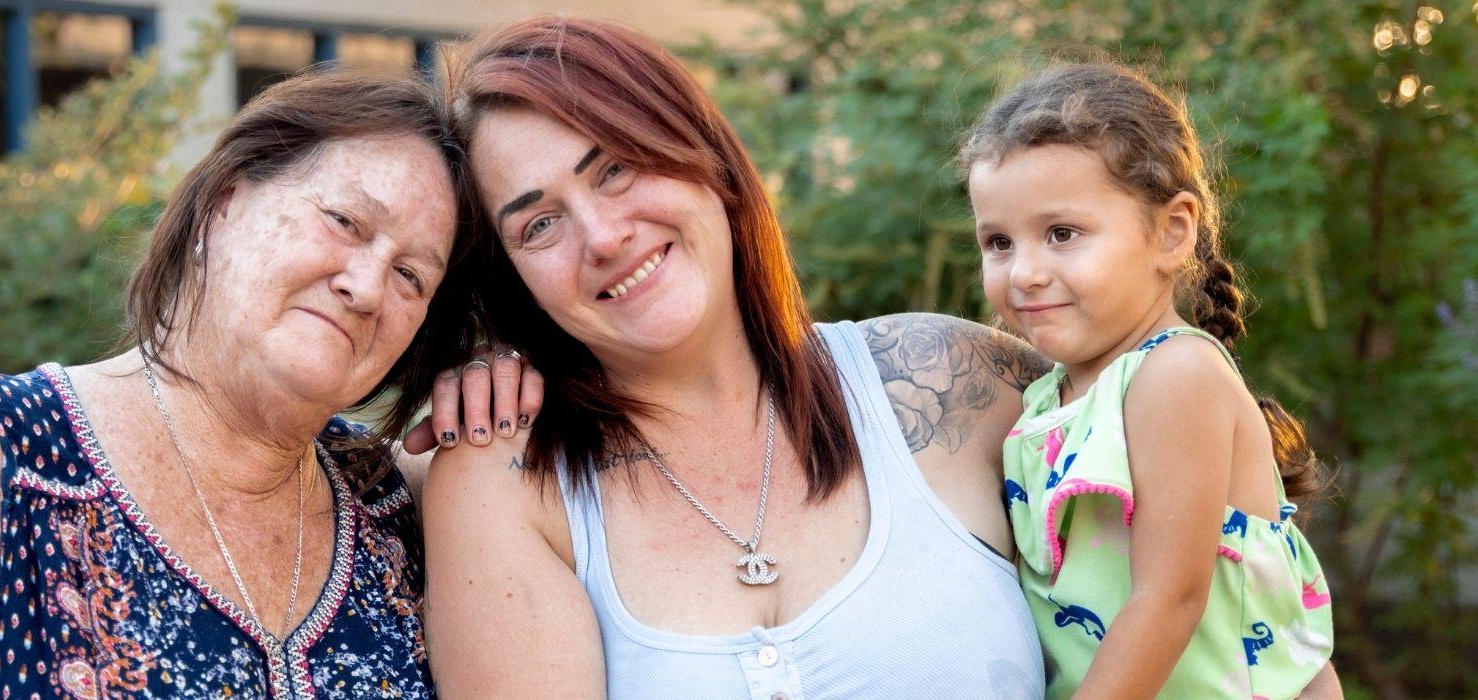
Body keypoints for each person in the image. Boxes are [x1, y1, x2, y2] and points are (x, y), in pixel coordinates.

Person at [0, 70, 474, 698]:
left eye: (413, 275)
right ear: (222, 206)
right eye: (345, 221)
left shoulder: (397, 505)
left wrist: (505, 379)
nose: (368, 285)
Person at [415, 17, 1056, 698]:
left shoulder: (955, 380)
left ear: (705, 154)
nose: (601, 237)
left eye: (616, 169)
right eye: (539, 224)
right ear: (512, 280)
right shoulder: (507, 480)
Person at [962, 63, 1337, 698]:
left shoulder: (1176, 375)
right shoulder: (1044, 397)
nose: (1023, 271)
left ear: (1171, 232)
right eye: (998, 242)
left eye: (1062, 234)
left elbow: (1170, 597)